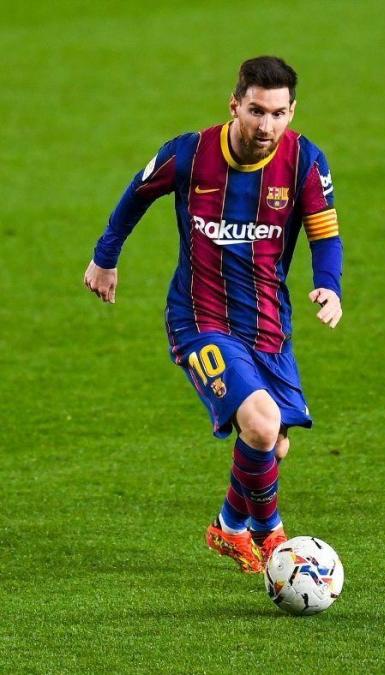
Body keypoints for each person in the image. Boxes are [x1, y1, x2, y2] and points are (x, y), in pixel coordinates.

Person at [83, 56, 344, 574]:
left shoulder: (306, 162)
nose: (266, 125)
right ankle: (270, 537)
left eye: (277, 113)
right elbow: (135, 196)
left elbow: (324, 232)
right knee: (263, 426)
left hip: (268, 325)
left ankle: (228, 524)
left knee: (274, 445)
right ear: (235, 105)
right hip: (198, 320)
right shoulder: (191, 153)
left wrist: (328, 286)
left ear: (292, 111)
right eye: (255, 111)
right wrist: (104, 257)